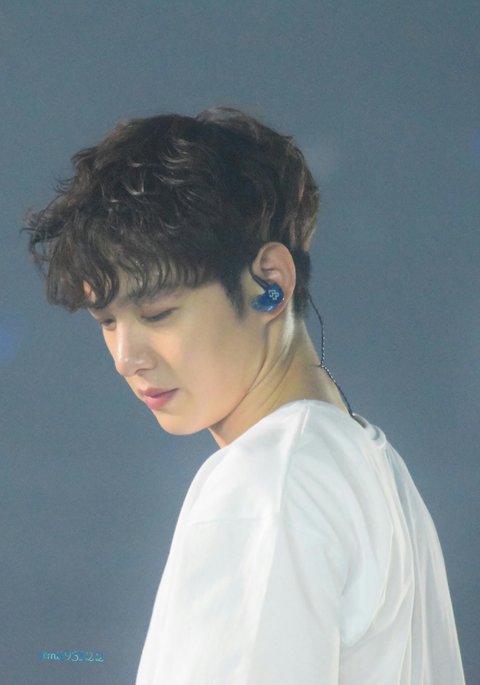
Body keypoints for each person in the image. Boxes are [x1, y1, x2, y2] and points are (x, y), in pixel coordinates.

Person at [22, 107, 465, 684]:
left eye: (157, 313)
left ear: (269, 284)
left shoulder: (265, 485)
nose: (127, 358)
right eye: (107, 321)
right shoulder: (369, 463)